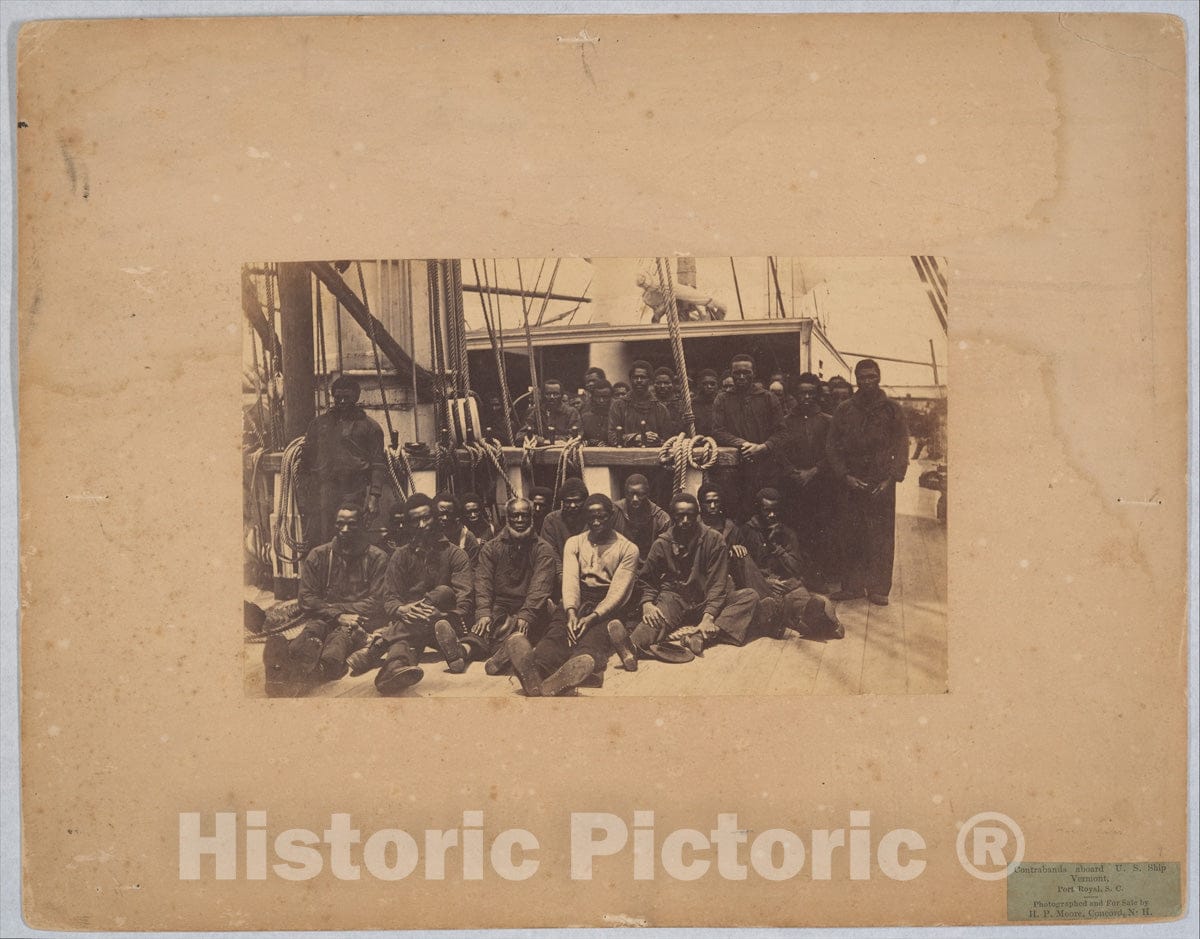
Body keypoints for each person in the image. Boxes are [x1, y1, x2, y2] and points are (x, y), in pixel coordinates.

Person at [506, 493, 639, 696]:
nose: (596, 522)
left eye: (601, 517)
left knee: (593, 639)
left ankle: (578, 670)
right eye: (591, 517)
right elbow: (570, 581)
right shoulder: (574, 543)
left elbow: (617, 593)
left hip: (607, 607)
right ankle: (535, 672)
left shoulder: (628, 549)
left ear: (611, 516)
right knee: (557, 633)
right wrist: (570, 613)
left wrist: (593, 617)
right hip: (578, 599)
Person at [607, 492, 761, 665]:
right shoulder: (662, 543)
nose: (686, 520)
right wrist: (647, 604)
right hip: (675, 598)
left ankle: (699, 636)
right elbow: (647, 579)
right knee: (655, 618)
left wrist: (709, 616)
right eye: (680, 516)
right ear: (673, 517)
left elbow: (718, 583)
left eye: (690, 515)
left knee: (750, 596)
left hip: (706, 598)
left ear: (698, 516)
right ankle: (631, 648)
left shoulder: (714, 540)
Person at [262, 503, 389, 695]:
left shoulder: (377, 557)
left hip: (358, 622)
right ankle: (279, 670)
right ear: (335, 525)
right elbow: (305, 598)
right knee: (312, 632)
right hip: (325, 618)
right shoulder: (319, 555)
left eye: (352, 524)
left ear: (362, 525)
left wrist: (334, 611)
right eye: (340, 524)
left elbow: (376, 602)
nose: (345, 530)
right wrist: (337, 614)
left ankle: (309, 673)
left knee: (339, 640)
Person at [356, 494, 475, 695]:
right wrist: (402, 609)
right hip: (411, 623)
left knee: (444, 592)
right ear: (408, 525)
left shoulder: (456, 554)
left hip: (445, 625)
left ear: (435, 518)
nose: (422, 525)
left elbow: (464, 599)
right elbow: (390, 599)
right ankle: (392, 673)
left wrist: (439, 615)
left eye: (426, 518)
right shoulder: (400, 556)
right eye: (415, 520)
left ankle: (381, 642)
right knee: (402, 646)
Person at [434, 497, 558, 676]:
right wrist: (483, 612)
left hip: (532, 607)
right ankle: (462, 652)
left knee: (522, 627)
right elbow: (483, 582)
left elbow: (541, 586)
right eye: (515, 516)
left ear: (531, 517)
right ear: (507, 518)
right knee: (484, 627)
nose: (520, 521)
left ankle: (501, 657)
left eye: (524, 516)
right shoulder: (492, 548)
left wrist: (526, 614)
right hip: (501, 604)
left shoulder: (543, 549)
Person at [826, 359, 910, 605]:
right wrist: (845, 476)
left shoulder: (893, 410)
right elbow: (832, 447)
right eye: (862, 378)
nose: (867, 382)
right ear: (856, 380)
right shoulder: (844, 409)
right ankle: (852, 586)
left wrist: (891, 478)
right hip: (851, 484)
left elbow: (902, 446)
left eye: (871, 377)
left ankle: (878, 588)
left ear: (879, 377)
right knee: (850, 534)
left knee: (880, 536)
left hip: (881, 484)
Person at [300, 375, 387, 547]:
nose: (341, 401)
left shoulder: (370, 427)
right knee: (325, 535)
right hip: (325, 489)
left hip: (355, 489)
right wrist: (305, 495)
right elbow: (306, 462)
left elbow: (378, 464)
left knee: (353, 534)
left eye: (346, 397)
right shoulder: (318, 424)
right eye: (338, 397)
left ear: (356, 397)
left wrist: (374, 498)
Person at [768, 371, 833, 588]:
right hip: (793, 487)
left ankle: (818, 577)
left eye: (811, 393)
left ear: (817, 395)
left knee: (819, 532)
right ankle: (796, 575)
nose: (806, 398)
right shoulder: (785, 421)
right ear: (795, 394)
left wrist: (813, 471)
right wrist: (793, 472)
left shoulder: (827, 422)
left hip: (820, 487)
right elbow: (779, 451)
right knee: (794, 531)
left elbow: (832, 452)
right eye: (802, 393)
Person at [711, 353, 785, 522]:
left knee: (765, 515)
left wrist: (763, 447)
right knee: (737, 514)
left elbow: (782, 432)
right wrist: (743, 444)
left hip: (764, 469)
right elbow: (717, 430)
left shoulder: (768, 398)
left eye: (746, 372)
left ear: (754, 373)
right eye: (737, 373)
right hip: (735, 472)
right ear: (732, 374)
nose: (742, 376)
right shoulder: (722, 399)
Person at [607, 360, 677, 447]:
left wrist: (657, 440)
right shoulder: (618, 406)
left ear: (650, 380)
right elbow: (612, 437)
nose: (639, 380)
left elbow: (669, 441)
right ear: (630, 379)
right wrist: (637, 437)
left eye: (643, 377)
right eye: (635, 377)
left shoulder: (660, 409)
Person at [612, 473, 671, 558]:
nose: (635, 499)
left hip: (650, 565)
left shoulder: (661, 518)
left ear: (647, 494)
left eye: (640, 494)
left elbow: (664, 551)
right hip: (620, 563)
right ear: (625, 493)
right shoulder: (614, 512)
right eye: (630, 494)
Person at [538, 477, 589, 564]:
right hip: (560, 570)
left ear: (584, 501)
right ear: (562, 502)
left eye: (577, 501)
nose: (572, 505)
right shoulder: (551, 520)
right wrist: (564, 575)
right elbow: (550, 554)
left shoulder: (592, 520)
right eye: (568, 501)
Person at [434, 491, 483, 564]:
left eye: (449, 514)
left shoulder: (467, 537)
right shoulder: (426, 536)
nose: (445, 518)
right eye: (441, 514)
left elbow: (474, 568)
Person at [533, 377, 582, 441]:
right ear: (543, 395)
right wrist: (535, 438)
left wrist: (553, 439)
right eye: (548, 394)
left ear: (561, 395)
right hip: (540, 449)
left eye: (556, 394)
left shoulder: (571, 412)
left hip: (563, 449)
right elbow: (521, 434)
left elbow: (576, 435)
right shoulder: (537, 413)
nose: (552, 397)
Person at [579, 379, 614, 446]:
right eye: (597, 397)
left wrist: (608, 444)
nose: (601, 400)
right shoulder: (584, 417)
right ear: (592, 397)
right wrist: (584, 441)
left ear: (611, 397)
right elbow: (579, 436)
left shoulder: (617, 417)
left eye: (605, 397)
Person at [692, 369, 721, 437]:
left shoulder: (722, 403)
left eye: (712, 384)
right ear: (699, 385)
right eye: (705, 384)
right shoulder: (692, 405)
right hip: (698, 442)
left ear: (717, 385)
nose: (709, 387)